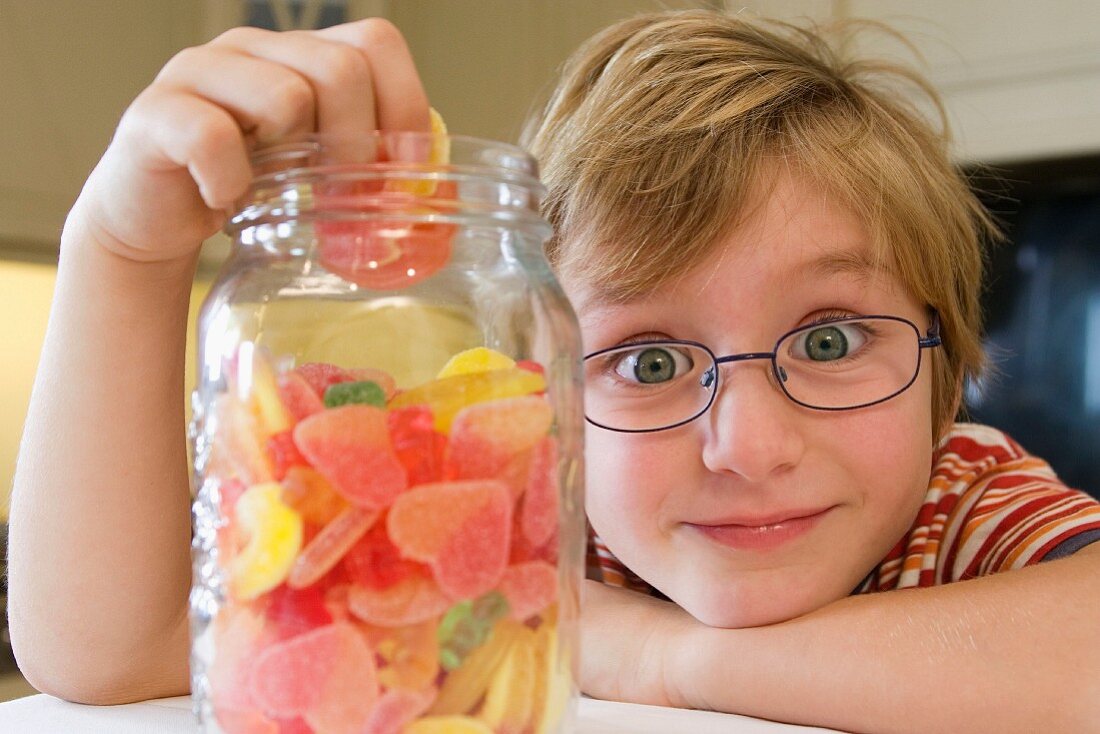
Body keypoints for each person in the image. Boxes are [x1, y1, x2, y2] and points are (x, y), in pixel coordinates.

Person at [8, 9, 1100, 733]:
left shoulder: (956, 502)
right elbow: (112, 652)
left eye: (827, 341)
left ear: (944, 380)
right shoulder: (513, 523)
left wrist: (652, 656)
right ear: (541, 401)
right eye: (649, 359)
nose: (749, 444)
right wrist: (122, 248)